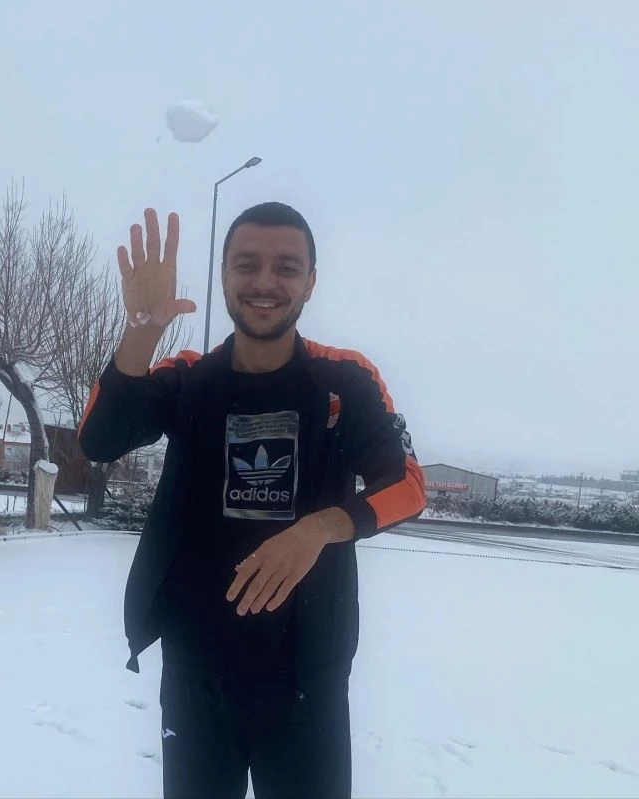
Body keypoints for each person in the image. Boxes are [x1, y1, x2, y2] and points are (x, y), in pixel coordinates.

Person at [78, 202, 426, 799]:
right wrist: (143, 327)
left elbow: (408, 487)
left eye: (286, 267)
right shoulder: (189, 378)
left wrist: (321, 527)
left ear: (310, 281)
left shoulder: (345, 380)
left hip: (307, 681)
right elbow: (99, 439)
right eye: (247, 264)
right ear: (223, 275)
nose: (265, 281)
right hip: (197, 677)